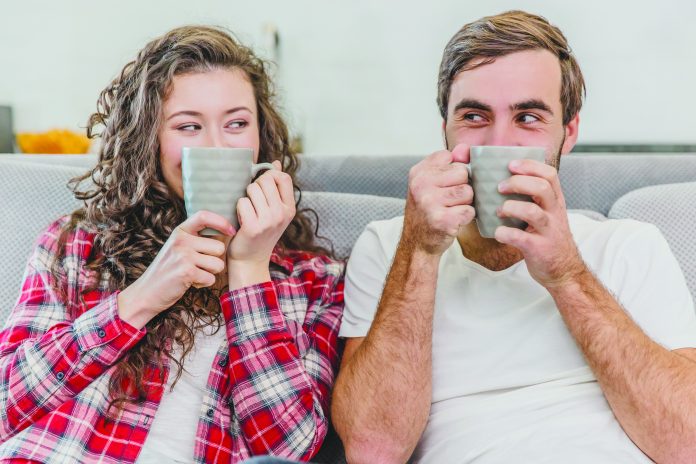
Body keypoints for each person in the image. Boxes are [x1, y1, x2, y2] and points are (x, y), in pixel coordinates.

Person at [332, 10, 696, 464]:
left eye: (527, 117)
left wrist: (567, 276)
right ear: (443, 129)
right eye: (473, 116)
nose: (497, 141)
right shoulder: (391, 247)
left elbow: (688, 444)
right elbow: (373, 451)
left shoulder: (629, 244)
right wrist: (421, 251)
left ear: (569, 133)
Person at [0, 26, 344, 464]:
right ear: (150, 142)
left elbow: (285, 450)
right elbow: (6, 403)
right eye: (189, 126)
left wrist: (251, 271)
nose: (217, 147)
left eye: (236, 123)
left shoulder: (314, 281)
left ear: (262, 138)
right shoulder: (78, 246)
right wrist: (142, 297)